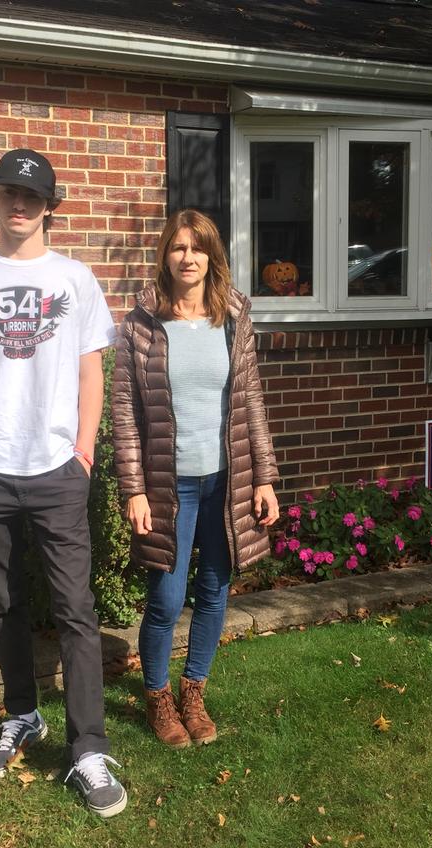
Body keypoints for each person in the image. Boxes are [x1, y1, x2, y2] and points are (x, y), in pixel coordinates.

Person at [0, 148, 127, 818]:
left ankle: (87, 750)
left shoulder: (75, 280)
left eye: (33, 195)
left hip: (55, 470)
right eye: (9, 193)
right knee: (7, 606)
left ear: (51, 204)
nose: (20, 204)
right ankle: (23, 714)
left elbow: (91, 372)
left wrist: (83, 451)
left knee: (75, 609)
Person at [112, 209, 279, 748]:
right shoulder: (141, 323)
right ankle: (158, 697)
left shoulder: (234, 316)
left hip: (227, 480)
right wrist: (133, 488)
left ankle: (194, 691)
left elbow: (251, 398)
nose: (188, 257)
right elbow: (125, 411)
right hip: (168, 485)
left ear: (212, 256)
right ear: (166, 254)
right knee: (165, 596)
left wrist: (264, 477)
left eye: (198, 248)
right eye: (178, 247)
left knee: (213, 589)